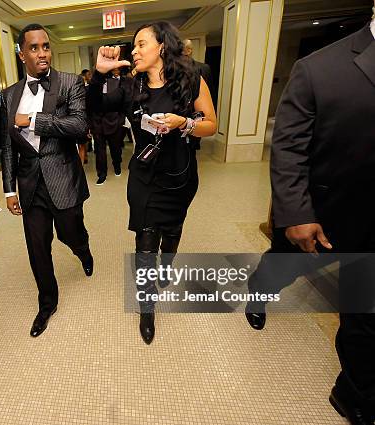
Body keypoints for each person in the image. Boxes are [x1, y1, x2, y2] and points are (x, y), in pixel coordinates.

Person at [244, 17, 375, 424]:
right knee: (284, 267)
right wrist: (296, 214)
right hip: (328, 215)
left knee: (365, 314)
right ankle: (259, 288)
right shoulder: (319, 68)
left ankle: (355, 395)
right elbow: (288, 147)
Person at [87, 22, 216, 344]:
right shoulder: (129, 86)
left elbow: (211, 125)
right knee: (145, 244)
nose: (134, 51)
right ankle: (147, 308)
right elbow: (90, 109)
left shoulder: (191, 79)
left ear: (162, 46)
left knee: (171, 231)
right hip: (144, 177)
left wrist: (183, 123)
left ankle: (168, 262)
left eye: (141, 44)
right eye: (134, 46)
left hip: (180, 174)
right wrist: (100, 74)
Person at [1, 24, 93, 338]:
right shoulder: (9, 94)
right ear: (21, 53)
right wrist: (9, 189)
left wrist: (34, 120)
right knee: (37, 247)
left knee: (70, 234)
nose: (42, 53)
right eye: (34, 48)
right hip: (30, 184)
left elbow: (80, 127)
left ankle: (83, 249)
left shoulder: (70, 83)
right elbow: (8, 145)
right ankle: (47, 303)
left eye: (46, 46)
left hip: (63, 176)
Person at [89, 67, 128, 184]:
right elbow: (89, 105)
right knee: (99, 152)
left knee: (115, 149)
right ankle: (102, 174)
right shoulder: (92, 86)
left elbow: (123, 104)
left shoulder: (116, 83)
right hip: (97, 123)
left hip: (114, 122)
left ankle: (117, 165)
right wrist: (89, 124)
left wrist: (120, 121)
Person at [79, 68, 93, 164]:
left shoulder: (90, 88)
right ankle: (83, 157)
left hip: (88, 116)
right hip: (79, 117)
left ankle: (85, 154)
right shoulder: (76, 89)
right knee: (81, 141)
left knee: (85, 139)